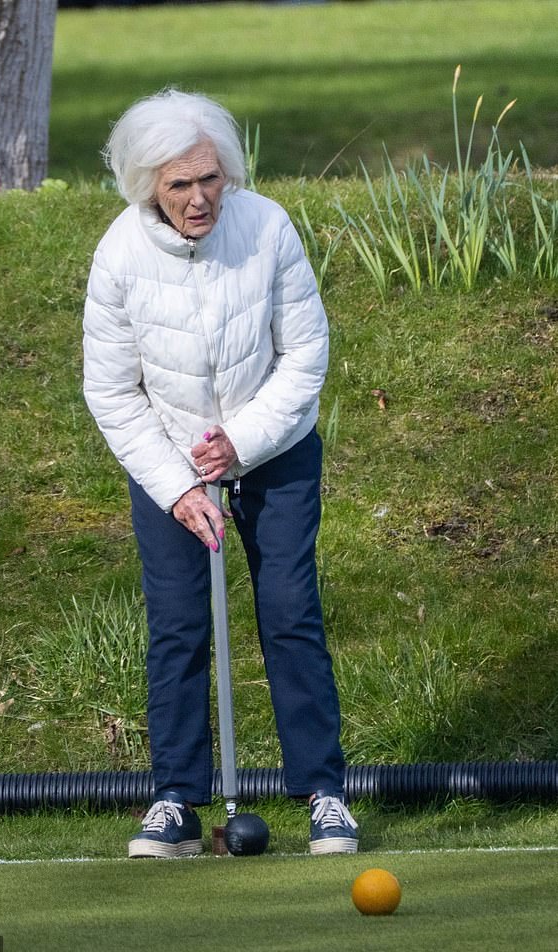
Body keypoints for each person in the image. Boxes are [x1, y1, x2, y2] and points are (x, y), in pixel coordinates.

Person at [83, 89, 358, 858]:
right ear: (148, 187)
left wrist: (239, 441)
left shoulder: (266, 226)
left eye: (210, 178)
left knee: (290, 610)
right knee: (177, 628)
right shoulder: (119, 254)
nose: (200, 197)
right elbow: (109, 389)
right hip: (168, 458)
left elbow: (305, 355)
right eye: (179, 185)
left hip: (273, 450)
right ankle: (175, 798)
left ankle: (325, 794)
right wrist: (177, 485)